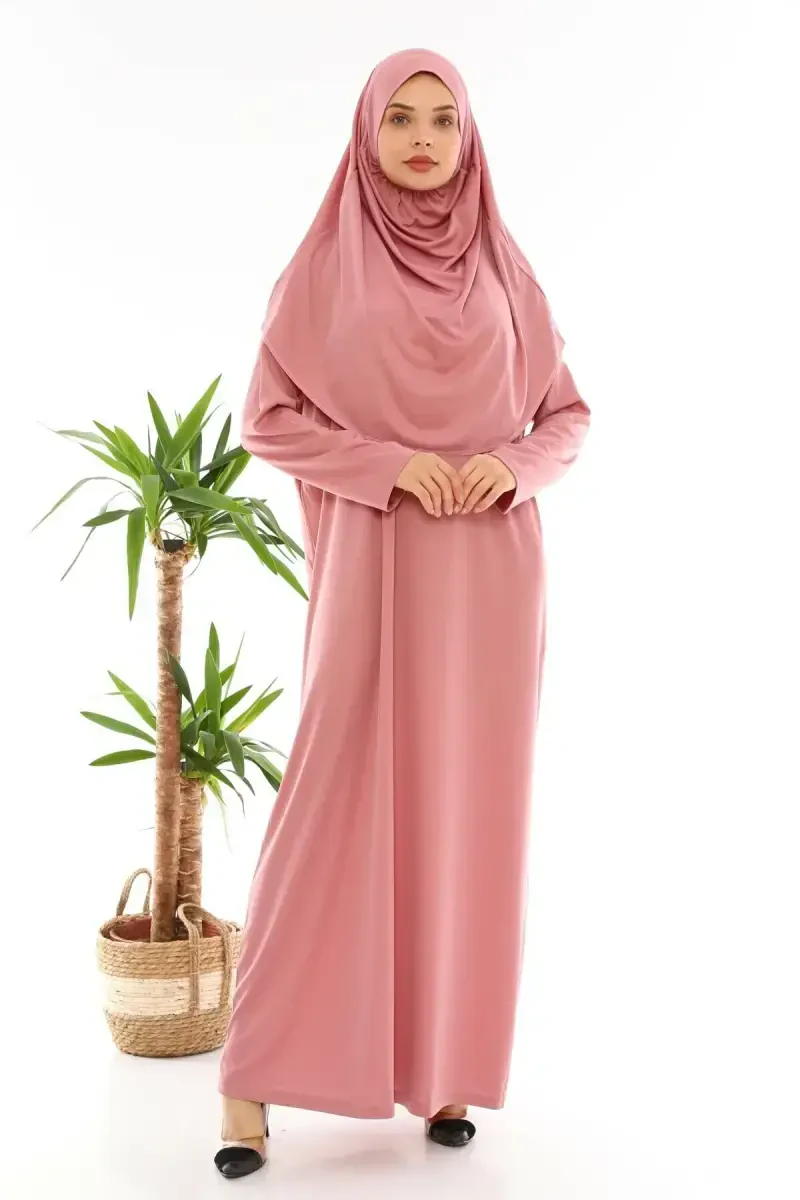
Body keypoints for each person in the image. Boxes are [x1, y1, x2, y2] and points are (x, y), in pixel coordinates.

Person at [213, 46, 591, 1179]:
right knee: (333, 799)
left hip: (489, 578)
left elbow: (566, 416)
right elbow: (268, 419)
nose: (423, 140)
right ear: (365, 133)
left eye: (443, 120)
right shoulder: (324, 268)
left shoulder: (505, 272)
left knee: (465, 814)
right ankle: (248, 1082)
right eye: (400, 119)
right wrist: (390, 467)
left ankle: (445, 1074)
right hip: (374, 570)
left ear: (468, 139)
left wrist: (510, 467)